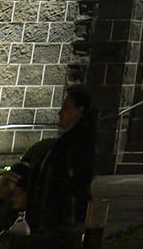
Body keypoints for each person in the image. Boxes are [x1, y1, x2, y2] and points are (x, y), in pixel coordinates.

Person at [21, 86, 95, 248]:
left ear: (79, 111)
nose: (60, 113)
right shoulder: (66, 142)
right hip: (52, 218)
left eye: (66, 108)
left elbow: (74, 180)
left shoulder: (75, 145)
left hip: (59, 220)